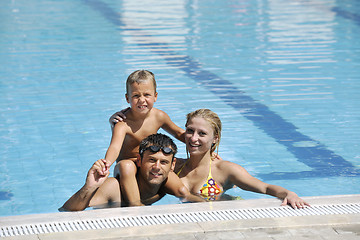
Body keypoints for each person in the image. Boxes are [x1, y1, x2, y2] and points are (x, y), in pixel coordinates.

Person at [175, 109, 310, 209]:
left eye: (202, 133)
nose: (193, 138)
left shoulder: (224, 170)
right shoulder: (174, 166)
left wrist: (289, 193)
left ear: (215, 138)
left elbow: (264, 187)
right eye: (190, 130)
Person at [104, 70, 189, 206]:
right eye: (136, 95)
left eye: (147, 95)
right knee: (127, 166)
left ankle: (206, 204)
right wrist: (106, 164)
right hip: (129, 168)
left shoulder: (159, 116)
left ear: (155, 96)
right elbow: (114, 147)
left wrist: (205, 148)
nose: (142, 100)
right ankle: (136, 206)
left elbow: (179, 133)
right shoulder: (123, 124)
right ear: (127, 98)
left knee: (183, 188)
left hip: (149, 163)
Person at [61, 133, 182, 211]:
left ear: (172, 165)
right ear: (139, 161)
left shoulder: (166, 184)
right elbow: (66, 211)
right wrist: (89, 187)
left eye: (164, 162)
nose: (157, 167)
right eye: (151, 160)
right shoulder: (114, 188)